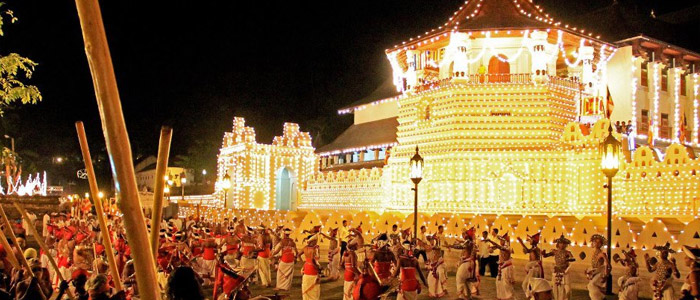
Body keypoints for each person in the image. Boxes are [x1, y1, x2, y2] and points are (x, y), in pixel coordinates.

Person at [543, 234, 575, 300]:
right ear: (558, 244)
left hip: (564, 271)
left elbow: (573, 258)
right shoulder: (555, 251)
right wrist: (543, 253)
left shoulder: (567, 252)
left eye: (564, 243)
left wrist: (568, 259)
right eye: (560, 243)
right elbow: (546, 255)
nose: (562, 245)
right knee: (555, 286)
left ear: (566, 245)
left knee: (565, 287)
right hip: (556, 271)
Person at [452, 227, 478, 300]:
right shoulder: (471, 242)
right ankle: (468, 296)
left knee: (459, 278)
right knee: (466, 280)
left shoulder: (468, 242)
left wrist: (452, 246)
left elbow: (460, 246)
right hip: (469, 262)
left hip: (467, 262)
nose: (464, 235)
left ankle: (461, 296)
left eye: (465, 234)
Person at [517, 232, 544, 299]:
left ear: (534, 241)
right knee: (528, 285)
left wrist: (521, 242)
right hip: (533, 269)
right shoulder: (533, 248)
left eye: (531, 240)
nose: (530, 240)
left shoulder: (535, 249)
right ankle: (532, 297)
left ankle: (532, 297)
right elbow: (527, 251)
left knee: (527, 285)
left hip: (535, 269)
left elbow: (527, 250)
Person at [489, 232, 514, 300]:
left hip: (506, 268)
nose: (500, 241)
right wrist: (491, 248)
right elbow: (494, 248)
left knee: (506, 284)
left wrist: (490, 241)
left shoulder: (507, 248)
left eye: (501, 240)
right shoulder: (502, 247)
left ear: (504, 241)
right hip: (501, 267)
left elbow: (499, 247)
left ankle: (508, 297)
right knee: (499, 282)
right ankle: (501, 297)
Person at [586, 234, 609, 300]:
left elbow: (608, 265)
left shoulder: (602, 254)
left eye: (599, 242)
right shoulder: (593, 253)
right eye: (595, 242)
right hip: (593, 273)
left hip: (600, 274)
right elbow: (593, 265)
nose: (597, 243)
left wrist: (606, 275)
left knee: (592, 286)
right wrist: (589, 270)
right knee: (591, 289)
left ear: (601, 244)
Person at [299, 233, 320, 300]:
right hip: (313, 269)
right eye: (316, 240)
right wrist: (319, 270)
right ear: (313, 241)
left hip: (306, 267)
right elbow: (314, 261)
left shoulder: (305, 248)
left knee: (306, 288)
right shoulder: (315, 249)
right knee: (314, 289)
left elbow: (298, 255)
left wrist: (304, 263)